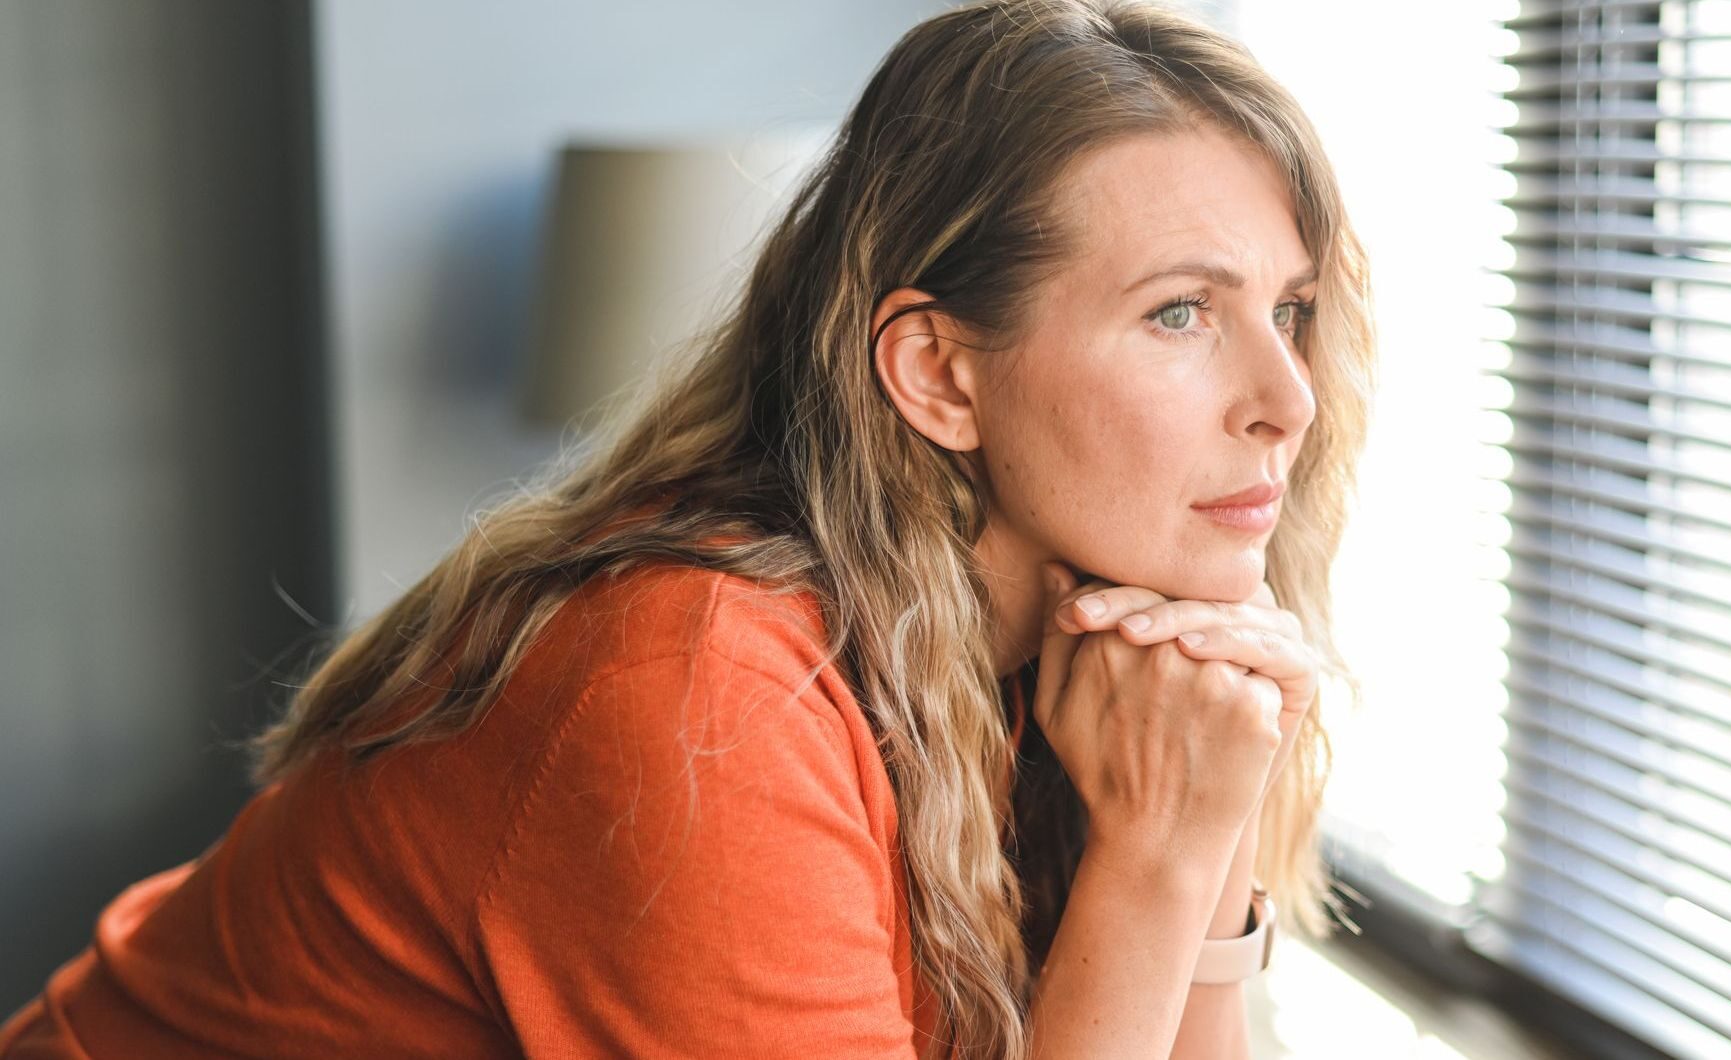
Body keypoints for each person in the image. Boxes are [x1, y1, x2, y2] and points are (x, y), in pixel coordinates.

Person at [0, 0, 1376, 1055]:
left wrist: (1191, 842)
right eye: (1180, 314)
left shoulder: (1100, 665)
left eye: (1292, 310)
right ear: (940, 376)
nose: (1285, 398)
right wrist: (1154, 856)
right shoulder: (693, 688)